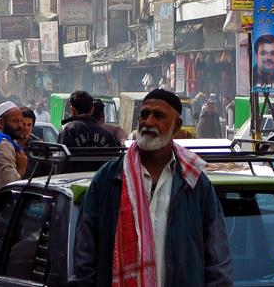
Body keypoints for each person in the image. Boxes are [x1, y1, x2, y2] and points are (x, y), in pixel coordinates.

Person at [72, 89, 231, 287]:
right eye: (144, 115)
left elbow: (217, 261)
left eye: (159, 116)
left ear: (177, 126)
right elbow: (85, 259)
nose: (148, 122)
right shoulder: (108, 179)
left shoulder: (195, 183)